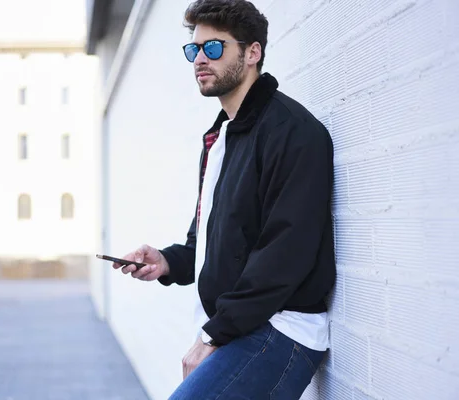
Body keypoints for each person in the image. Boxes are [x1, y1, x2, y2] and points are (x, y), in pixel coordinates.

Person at [113, 0, 336, 398]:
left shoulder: (293, 132)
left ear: (253, 53)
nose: (200, 59)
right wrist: (167, 261)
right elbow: (212, 245)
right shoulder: (220, 138)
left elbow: (285, 255)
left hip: (281, 329)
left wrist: (213, 335)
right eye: (194, 49)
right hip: (242, 325)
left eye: (214, 48)